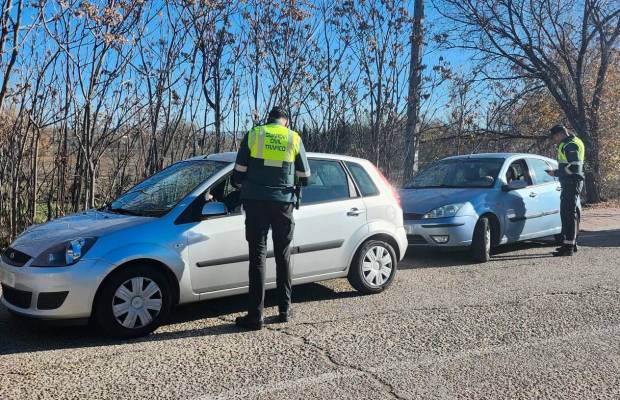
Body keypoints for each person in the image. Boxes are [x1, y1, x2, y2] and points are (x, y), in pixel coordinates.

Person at [232, 107, 311, 330]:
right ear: (286, 122)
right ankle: (284, 310)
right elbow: (305, 177)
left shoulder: (255, 134)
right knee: (283, 255)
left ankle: (255, 316)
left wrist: (245, 183)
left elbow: (238, 172)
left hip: (255, 202)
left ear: (269, 120)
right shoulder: (293, 137)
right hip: (283, 203)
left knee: (257, 257)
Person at [545, 124, 585, 257]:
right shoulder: (574, 141)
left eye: (555, 137)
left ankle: (568, 247)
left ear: (561, 133)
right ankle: (571, 244)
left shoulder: (570, 145)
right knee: (569, 213)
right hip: (571, 182)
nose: (555, 140)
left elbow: (574, 168)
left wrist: (555, 172)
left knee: (568, 213)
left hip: (571, 182)